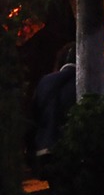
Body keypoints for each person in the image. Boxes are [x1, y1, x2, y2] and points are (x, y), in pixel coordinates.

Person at [29, 42, 77, 179]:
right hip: (72, 152)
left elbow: (35, 114)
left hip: (44, 149)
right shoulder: (88, 82)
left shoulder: (45, 82)